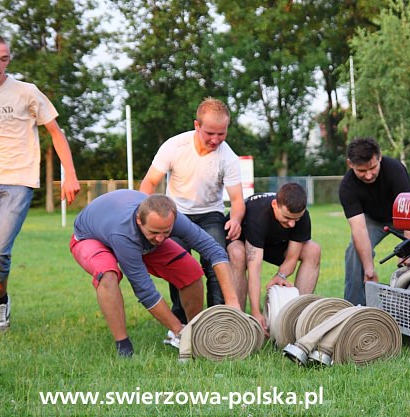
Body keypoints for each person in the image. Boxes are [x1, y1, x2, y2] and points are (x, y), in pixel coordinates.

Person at [0, 34, 80, 345]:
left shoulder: (26, 92)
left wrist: (70, 174)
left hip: (19, 182)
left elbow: (56, 132)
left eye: (4, 58)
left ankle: (0, 301)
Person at [70, 190, 240, 357]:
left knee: (190, 271)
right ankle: (123, 345)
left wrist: (233, 302)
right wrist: (178, 331)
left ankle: (194, 331)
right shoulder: (124, 233)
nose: (160, 239)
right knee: (108, 275)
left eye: (166, 232)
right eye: (154, 232)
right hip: (90, 238)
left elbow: (214, 250)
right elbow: (145, 291)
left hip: (134, 235)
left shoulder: (170, 218)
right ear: (139, 220)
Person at [139, 97, 245, 324]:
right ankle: (182, 322)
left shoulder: (228, 157)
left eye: (222, 134)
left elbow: (237, 200)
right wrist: (148, 217)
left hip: (210, 215)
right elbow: (148, 184)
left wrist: (235, 219)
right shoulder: (174, 146)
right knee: (178, 262)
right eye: (210, 133)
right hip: (176, 215)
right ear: (197, 125)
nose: (216, 140)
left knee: (216, 260)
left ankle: (218, 319)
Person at [227, 182, 321, 331]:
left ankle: (298, 316)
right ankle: (238, 319)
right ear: (274, 204)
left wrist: (280, 276)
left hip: (274, 242)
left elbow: (291, 258)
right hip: (244, 240)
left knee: (313, 249)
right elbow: (254, 270)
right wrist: (256, 313)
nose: (292, 224)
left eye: (296, 219)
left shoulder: (301, 217)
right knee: (237, 253)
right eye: (287, 217)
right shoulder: (258, 215)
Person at [339, 137, 410, 306]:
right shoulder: (347, 187)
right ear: (350, 164)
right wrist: (369, 269)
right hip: (375, 221)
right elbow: (359, 229)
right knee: (353, 252)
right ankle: (354, 309)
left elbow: (408, 213)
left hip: (404, 216)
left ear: (379, 157)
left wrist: (408, 251)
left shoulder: (395, 170)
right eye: (361, 171)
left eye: (372, 168)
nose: (368, 175)